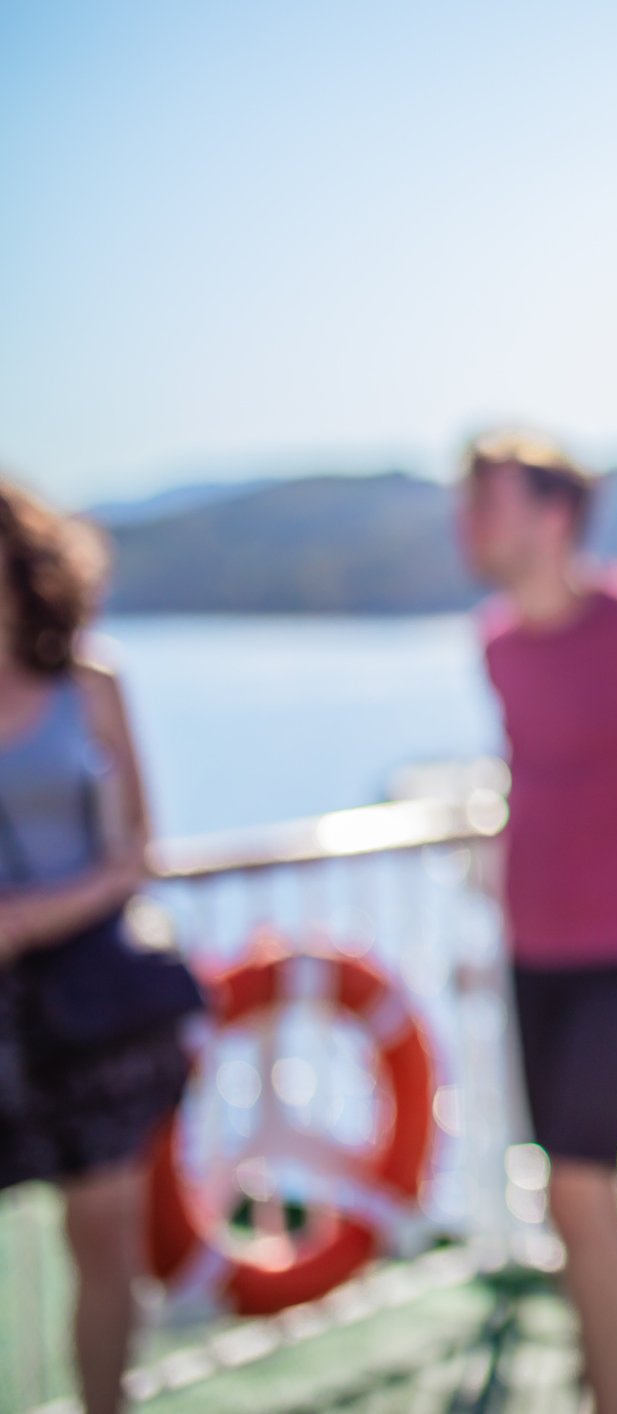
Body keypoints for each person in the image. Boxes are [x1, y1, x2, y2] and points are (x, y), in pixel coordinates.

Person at [456, 431, 617, 1414]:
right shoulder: (496, 642)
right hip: (532, 938)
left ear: (556, 513)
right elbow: (525, 771)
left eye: (489, 503)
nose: (469, 525)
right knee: (567, 1177)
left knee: (574, 1175)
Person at [0, 479, 187, 1414]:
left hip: (89, 996)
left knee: (103, 1233)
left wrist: (31, 918)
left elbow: (136, 850)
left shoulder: (90, 682)